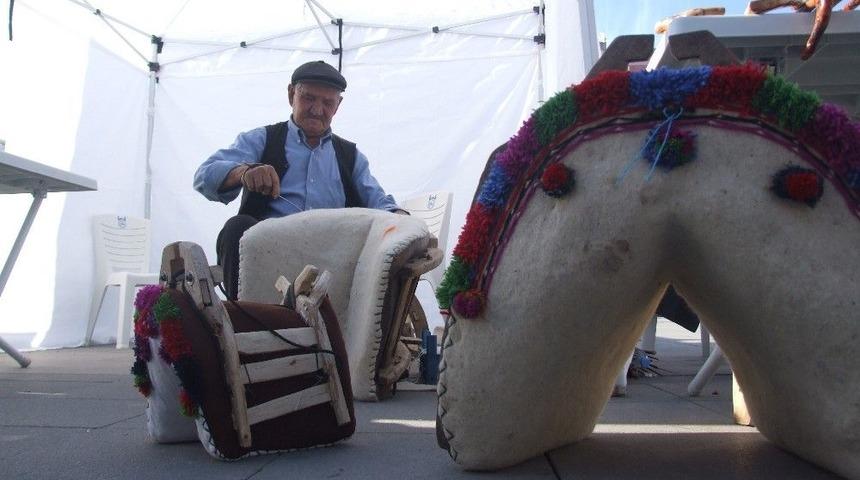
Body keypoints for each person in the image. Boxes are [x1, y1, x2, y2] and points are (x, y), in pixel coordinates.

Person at [194, 60, 404, 300]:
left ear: (338, 106)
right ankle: (243, 318)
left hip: (331, 266)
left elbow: (379, 202)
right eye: (308, 98)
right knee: (237, 227)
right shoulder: (262, 140)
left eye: (327, 103)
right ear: (290, 94)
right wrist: (243, 172)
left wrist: (402, 219)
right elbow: (204, 176)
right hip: (267, 258)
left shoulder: (350, 157)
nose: (317, 109)